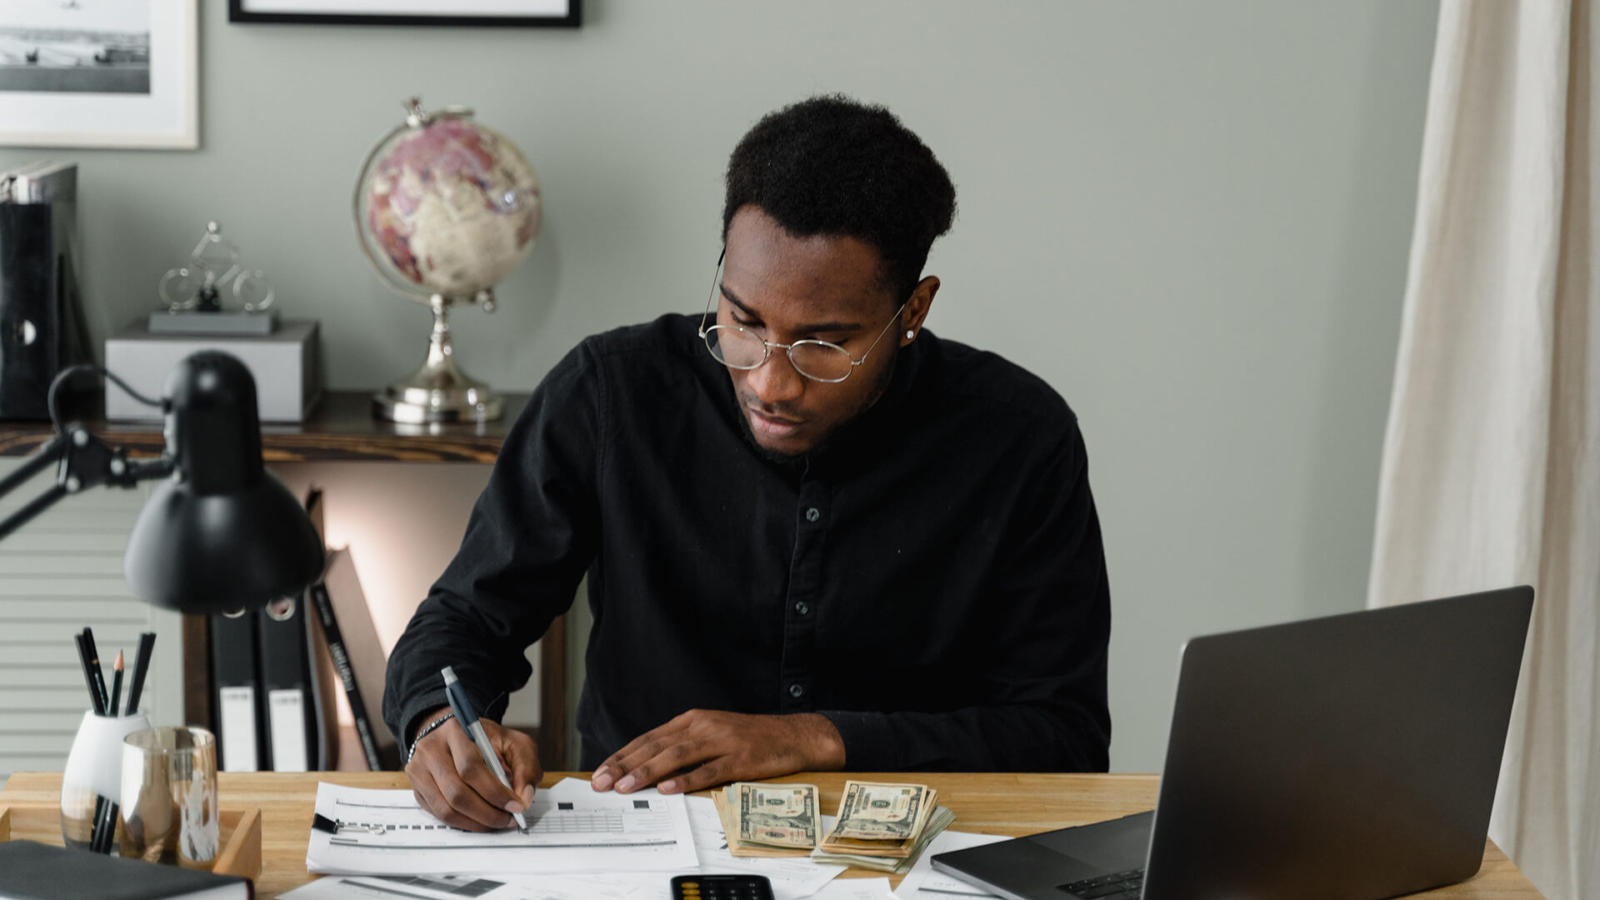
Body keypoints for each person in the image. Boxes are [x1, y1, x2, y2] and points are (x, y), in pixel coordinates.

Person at [383, 95, 1111, 832]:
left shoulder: (1019, 437)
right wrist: (437, 723)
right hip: (644, 839)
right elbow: (465, 617)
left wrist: (815, 738)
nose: (770, 382)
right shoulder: (612, 392)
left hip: (910, 851)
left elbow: (1064, 737)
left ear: (913, 311)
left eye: (823, 343)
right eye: (743, 321)